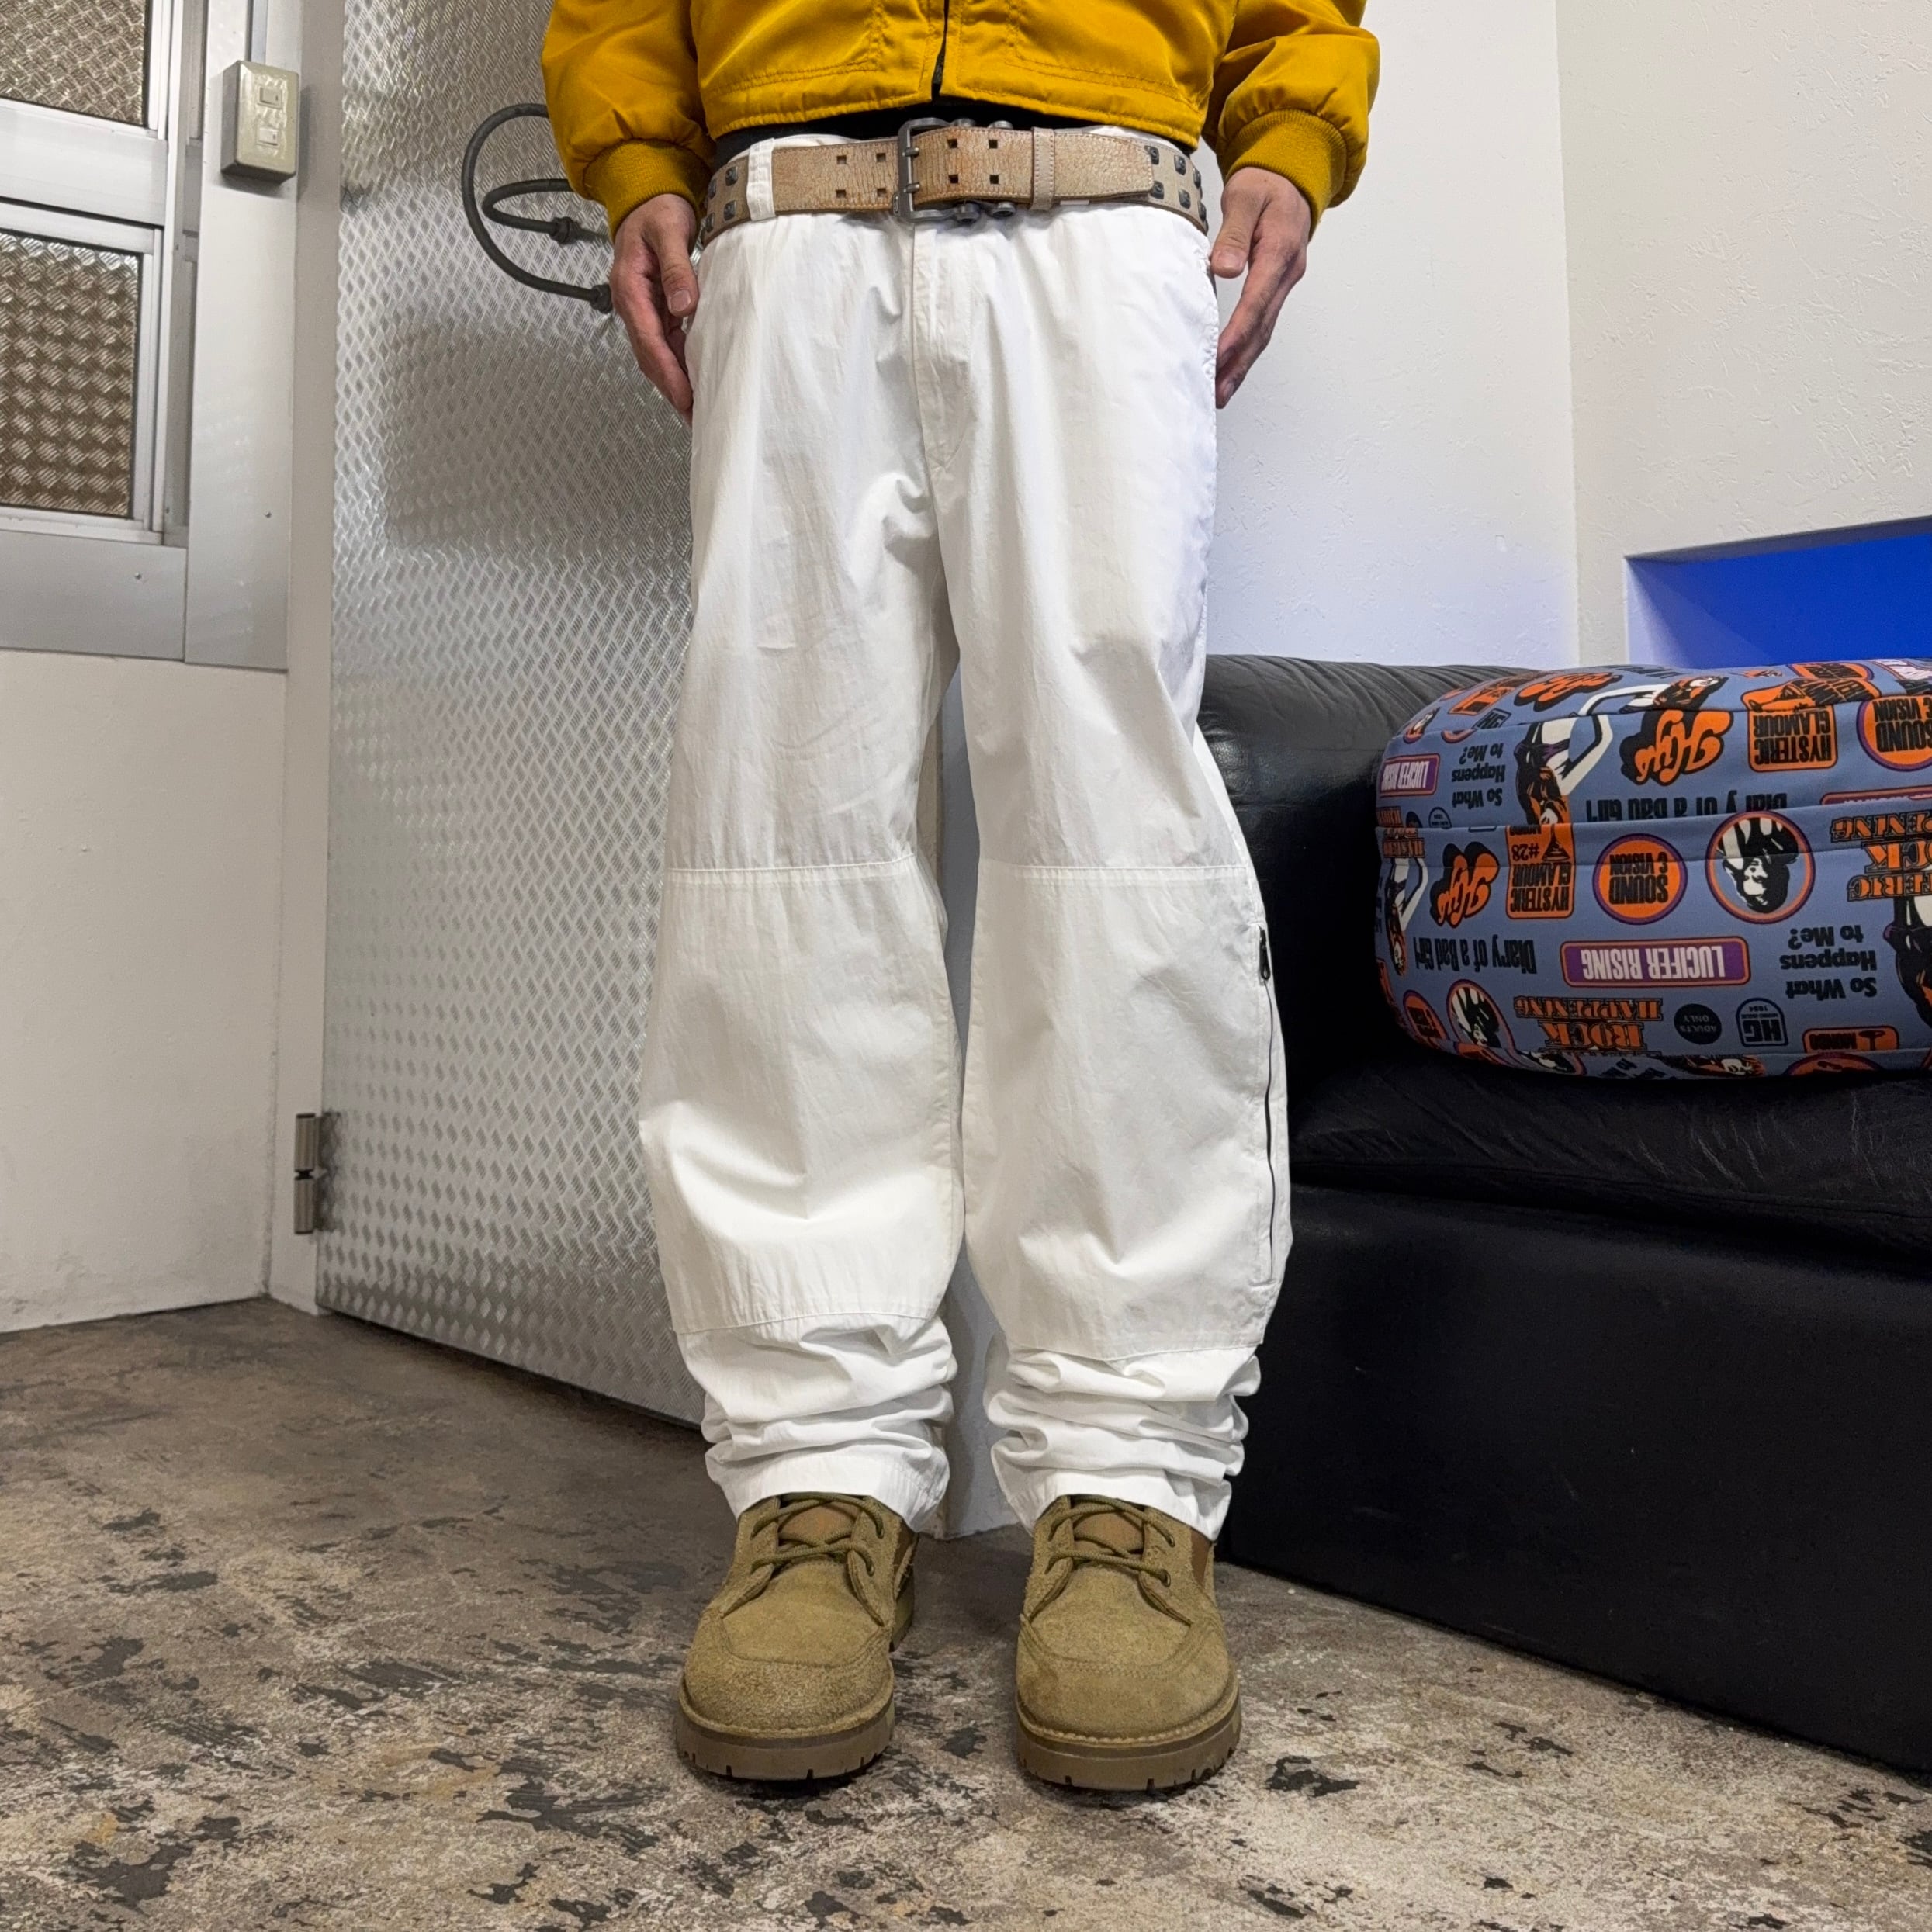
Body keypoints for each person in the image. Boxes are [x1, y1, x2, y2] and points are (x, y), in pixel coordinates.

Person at [542, 0, 1377, 1792]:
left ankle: (1129, 1484)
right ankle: (817, 1477)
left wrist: (1295, 138)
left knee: (1116, 850)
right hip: (783, 222)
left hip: (1109, 211)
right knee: (781, 840)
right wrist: (631, 153)